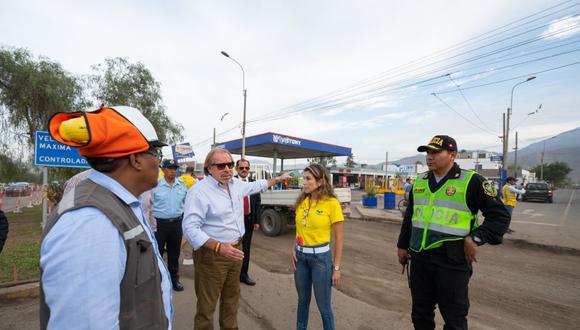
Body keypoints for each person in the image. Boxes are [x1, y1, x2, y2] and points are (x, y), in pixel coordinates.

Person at [40, 106, 173, 329]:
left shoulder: (120, 201)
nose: (158, 162)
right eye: (155, 153)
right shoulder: (90, 223)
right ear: (136, 159)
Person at [397, 135, 510, 330]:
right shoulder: (420, 181)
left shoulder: (471, 181)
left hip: (452, 261)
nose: (429, 157)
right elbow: (410, 216)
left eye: (435, 152)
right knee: (420, 315)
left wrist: (475, 237)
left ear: (452, 155)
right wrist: (402, 245)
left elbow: (500, 217)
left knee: (454, 319)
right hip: (420, 258)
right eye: (428, 152)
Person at [182, 148, 291, 330]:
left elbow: (258, 186)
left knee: (231, 299)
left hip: (236, 250)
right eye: (221, 165)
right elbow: (190, 228)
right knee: (207, 306)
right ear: (209, 168)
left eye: (230, 165)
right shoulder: (199, 191)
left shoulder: (236, 184)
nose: (227, 169)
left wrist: (278, 179)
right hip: (212, 255)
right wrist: (218, 247)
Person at [291, 163, 344, 330]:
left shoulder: (331, 203)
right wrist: (293, 248)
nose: (304, 182)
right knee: (302, 301)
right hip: (301, 259)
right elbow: (300, 229)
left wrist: (336, 268)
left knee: (324, 307)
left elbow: (339, 238)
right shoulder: (301, 201)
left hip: (321, 260)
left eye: (308, 179)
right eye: (303, 178)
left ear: (320, 182)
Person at [153, 158, 188, 291]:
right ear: (163, 170)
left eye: (175, 168)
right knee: (158, 253)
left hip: (176, 224)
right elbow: (149, 206)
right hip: (159, 225)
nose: (173, 171)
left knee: (174, 253)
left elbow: (187, 204)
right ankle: (158, 280)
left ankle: (174, 279)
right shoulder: (155, 185)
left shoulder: (182, 185)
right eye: (169, 168)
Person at [235, 159, 261, 286]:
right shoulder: (231, 182)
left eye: (246, 168)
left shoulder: (253, 184)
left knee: (245, 249)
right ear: (236, 168)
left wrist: (257, 221)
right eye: (241, 168)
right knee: (233, 248)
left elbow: (257, 203)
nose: (244, 170)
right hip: (234, 221)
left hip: (249, 220)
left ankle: (243, 275)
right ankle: (232, 276)